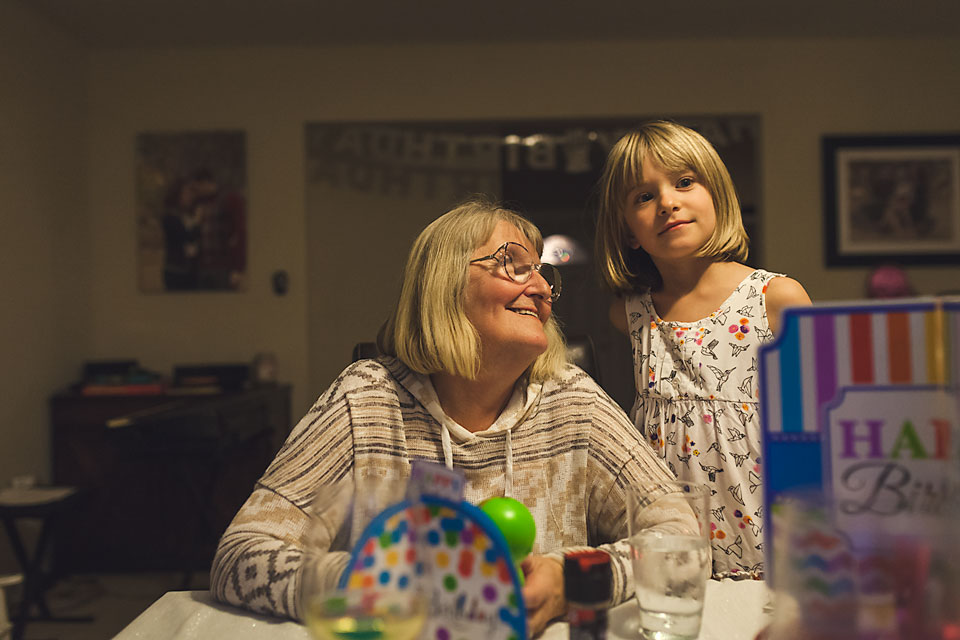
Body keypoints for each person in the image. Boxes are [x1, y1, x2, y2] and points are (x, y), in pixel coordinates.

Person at [210, 198, 694, 636]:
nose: (544, 288)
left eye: (544, 274)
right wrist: (378, 584)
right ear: (444, 282)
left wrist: (571, 581)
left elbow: (678, 534)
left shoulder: (572, 399)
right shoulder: (366, 399)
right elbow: (241, 556)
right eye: (514, 264)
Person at [594, 121, 812, 579]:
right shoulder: (630, 316)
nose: (668, 202)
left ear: (717, 196)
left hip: (768, 539)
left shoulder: (777, 299)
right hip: (671, 543)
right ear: (629, 231)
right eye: (643, 196)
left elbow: (815, 434)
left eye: (684, 182)